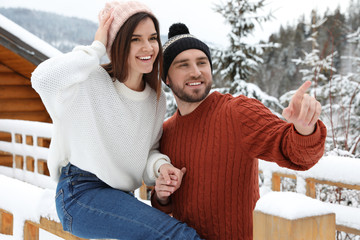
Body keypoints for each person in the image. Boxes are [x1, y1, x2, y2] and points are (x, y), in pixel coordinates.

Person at [31, 2, 202, 239]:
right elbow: (42, 79)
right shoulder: (90, 81)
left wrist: (160, 166)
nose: (148, 47)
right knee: (178, 235)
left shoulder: (155, 99)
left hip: (120, 197)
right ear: (118, 44)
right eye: (135, 39)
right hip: (79, 193)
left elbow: (146, 151)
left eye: (152, 38)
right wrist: (96, 47)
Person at [151, 23, 327, 240]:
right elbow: (164, 207)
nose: (196, 71)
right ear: (166, 78)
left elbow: (297, 155)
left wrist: (304, 130)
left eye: (202, 62)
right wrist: (162, 196)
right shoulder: (166, 131)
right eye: (183, 65)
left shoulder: (238, 112)